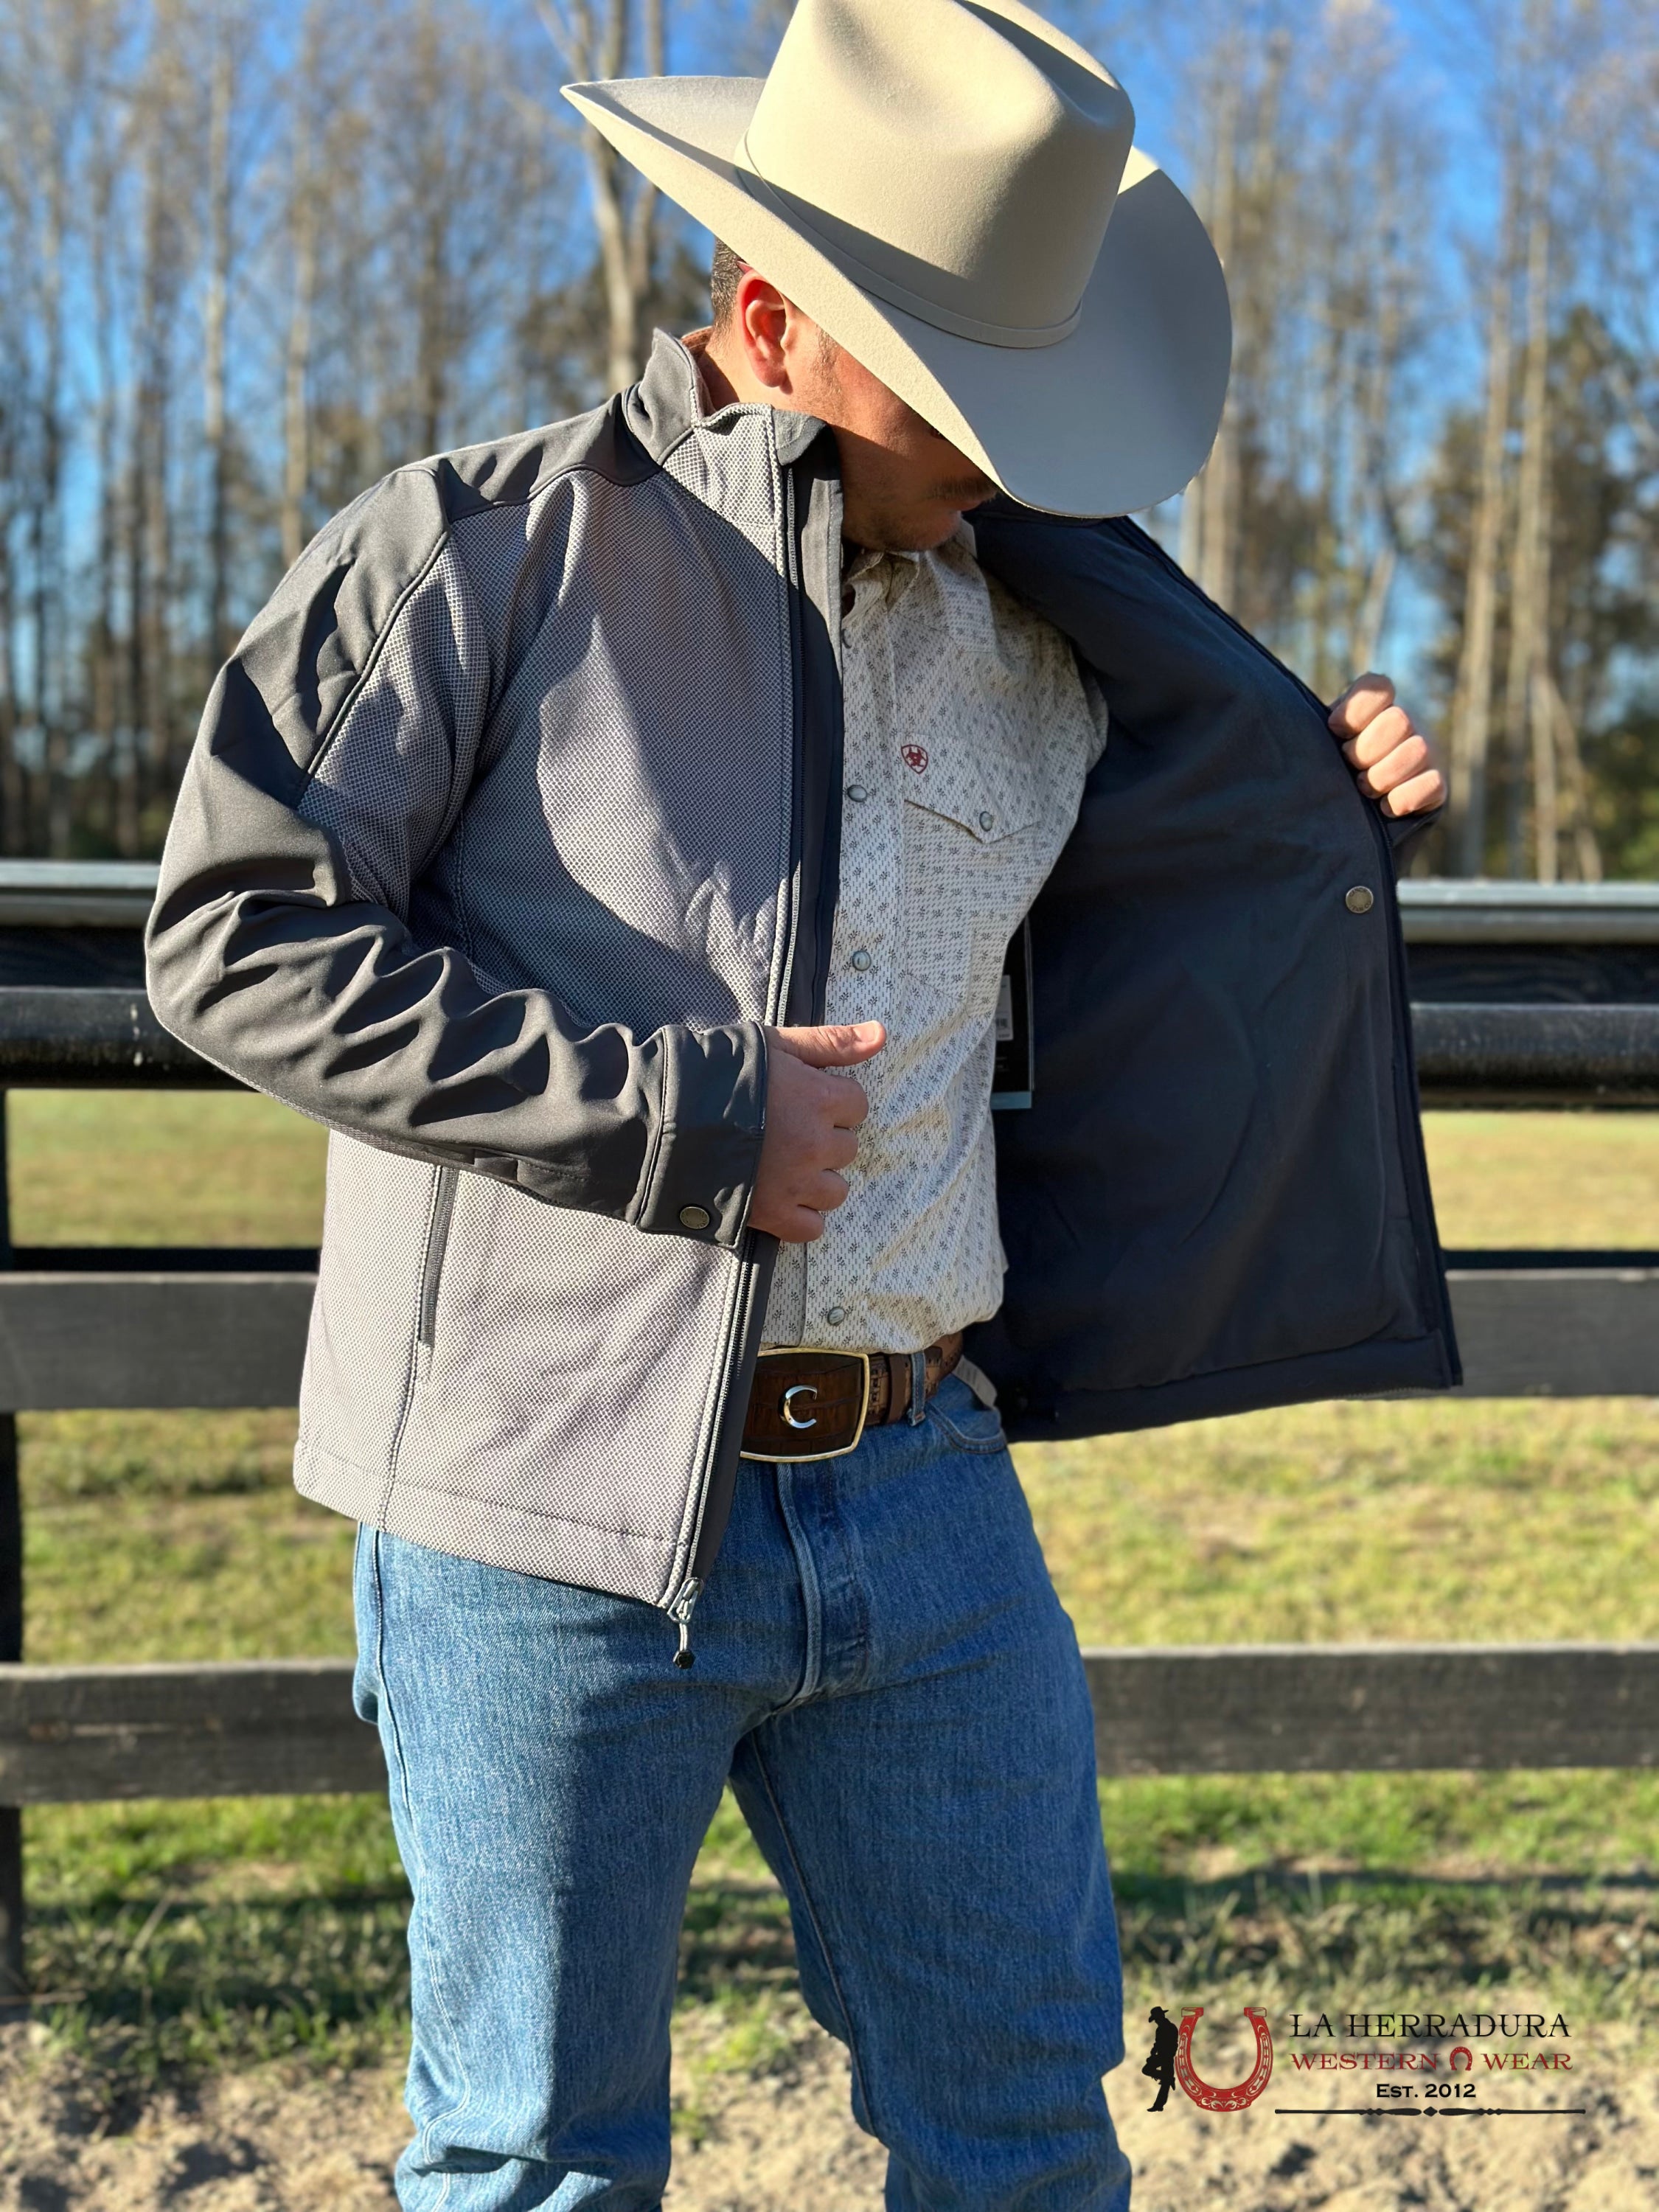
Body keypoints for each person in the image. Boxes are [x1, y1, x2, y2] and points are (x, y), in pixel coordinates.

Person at [145, 3, 1452, 2205]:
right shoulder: (475, 552)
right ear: (770, 323)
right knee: (538, 2167)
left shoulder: (1057, 626)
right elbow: (234, 940)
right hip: (539, 1517)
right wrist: (678, 1123)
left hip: (931, 1503)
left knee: (1026, 2147)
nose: (1014, 458)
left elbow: (1155, 937)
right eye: (964, 398)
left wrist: (1332, 820)